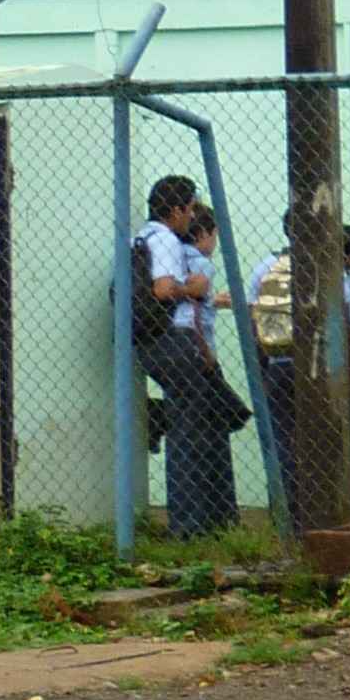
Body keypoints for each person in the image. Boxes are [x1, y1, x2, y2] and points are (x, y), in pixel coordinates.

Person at [135, 182, 249, 542]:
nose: (190, 216)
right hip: (177, 342)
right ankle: (189, 525)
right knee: (190, 435)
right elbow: (164, 290)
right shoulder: (168, 239)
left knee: (195, 427)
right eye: (189, 209)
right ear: (178, 210)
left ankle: (208, 520)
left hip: (151, 343)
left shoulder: (141, 236)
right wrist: (194, 289)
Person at [256, 225, 350, 528]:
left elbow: (254, 317)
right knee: (335, 442)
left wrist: (263, 370)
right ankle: (331, 517)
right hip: (323, 368)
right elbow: (342, 329)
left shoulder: (268, 266)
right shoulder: (334, 274)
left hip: (279, 362)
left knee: (286, 442)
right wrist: (349, 378)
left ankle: (287, 517)